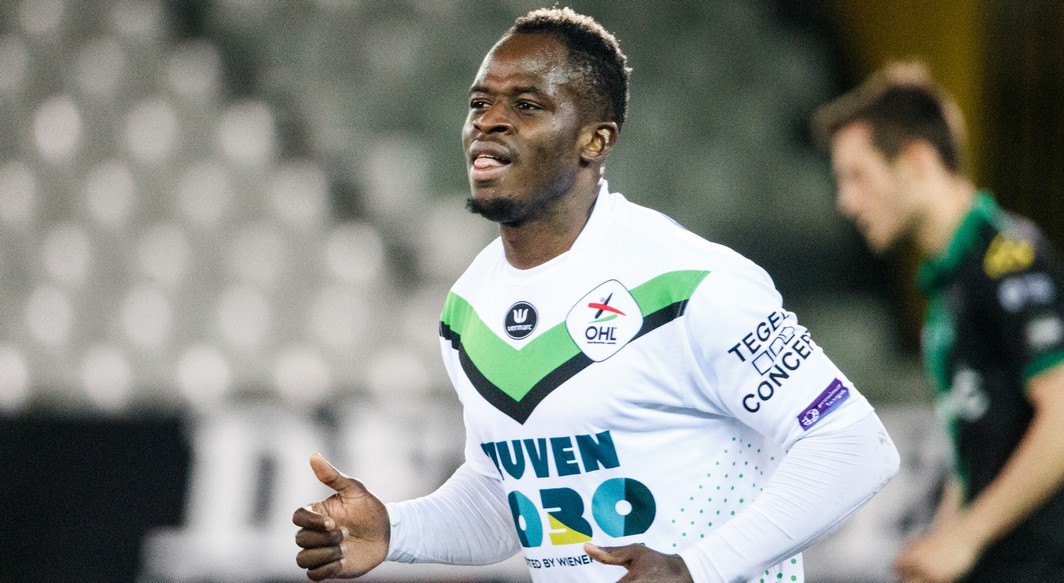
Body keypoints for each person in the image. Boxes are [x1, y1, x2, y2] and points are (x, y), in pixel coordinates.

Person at [294, 8, 900, 583]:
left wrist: (697, 569)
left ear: (595, 141)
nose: (488, 121)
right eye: (480, 103)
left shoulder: (691, 283)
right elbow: (509, 497)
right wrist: (395, 528)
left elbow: (853, 444)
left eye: (525, 105)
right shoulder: (468, 307)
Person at [812, 62, 1064, 583]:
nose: (846, 201)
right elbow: (979, 446)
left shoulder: (1006, 257)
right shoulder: (948, 283)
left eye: (858, 176)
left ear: (918, 161)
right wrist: (942, 541)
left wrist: (966, 536)